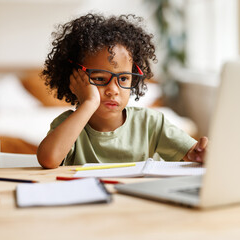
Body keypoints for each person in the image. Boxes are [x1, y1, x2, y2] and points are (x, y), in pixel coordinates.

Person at [37, 13, 208, 169]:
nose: (113, 90)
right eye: (99, 79)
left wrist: (200, 153)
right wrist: (90, 102)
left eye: (123, 79)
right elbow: (48, 159)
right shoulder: (67, 124)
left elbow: (192, 153)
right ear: (75, 79)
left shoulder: (151, 123)